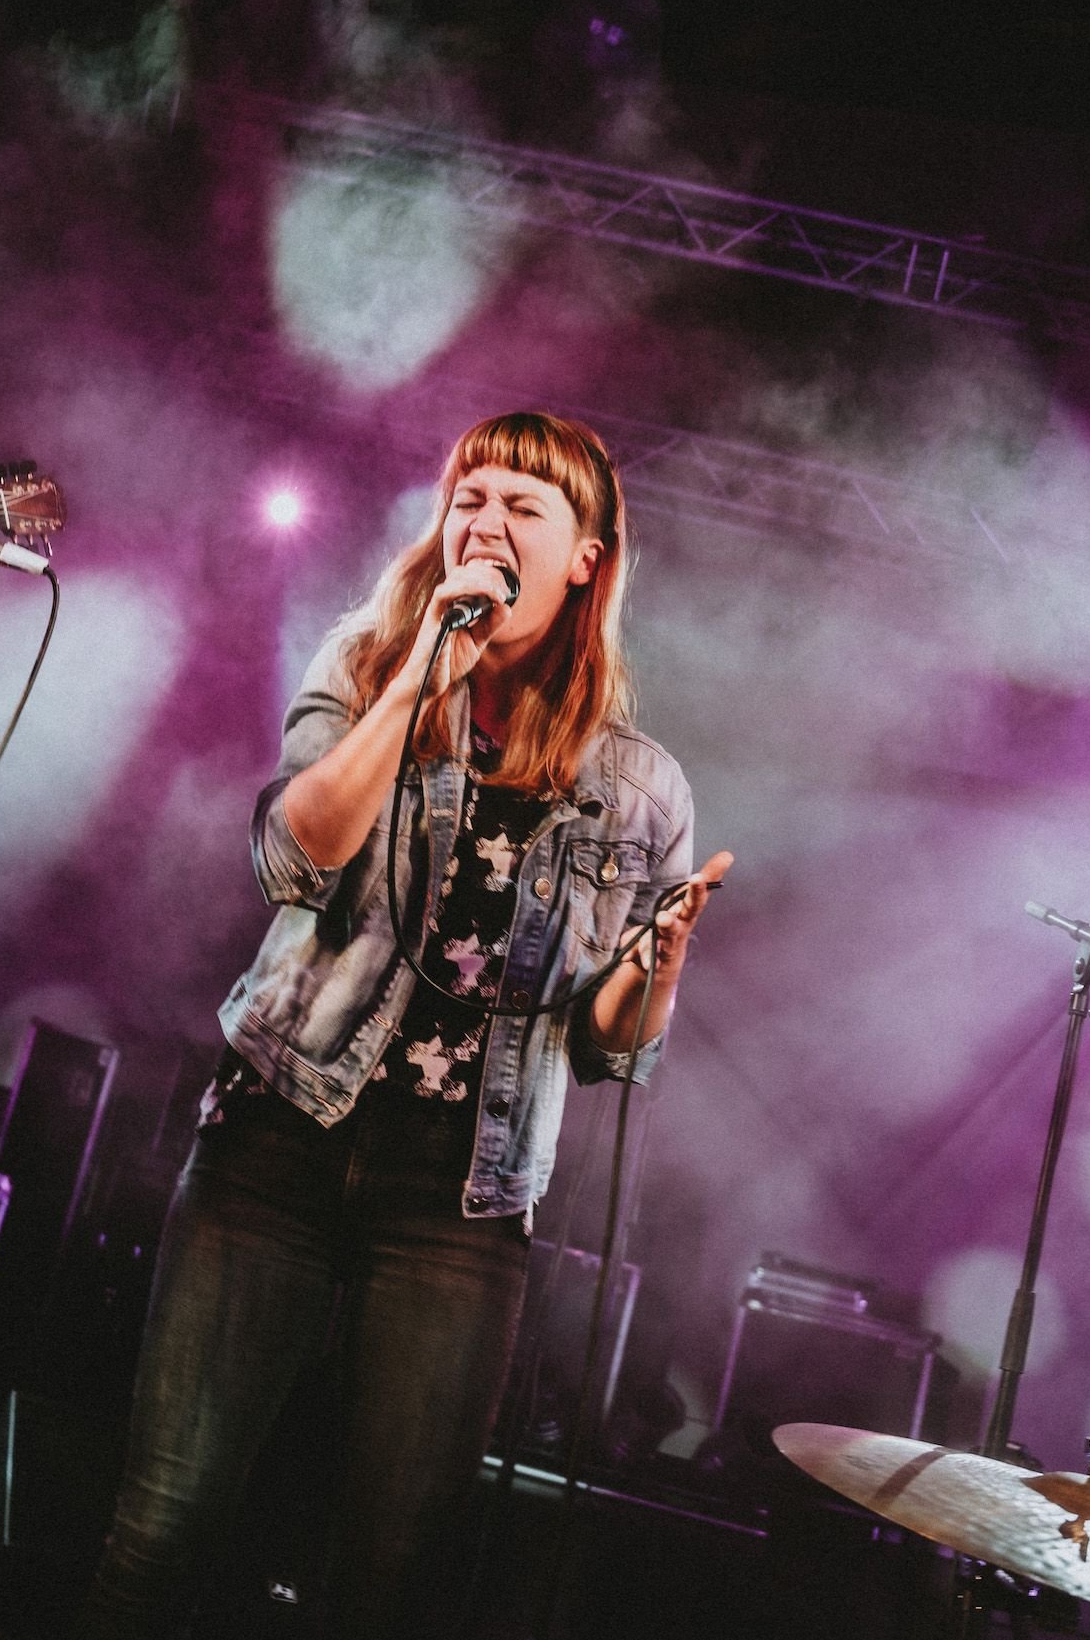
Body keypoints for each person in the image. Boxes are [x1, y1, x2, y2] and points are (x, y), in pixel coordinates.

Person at [76, 411, 732, 1638]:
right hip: (276, 1143)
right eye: (469, 499)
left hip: (457, 1208)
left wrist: (660, 963)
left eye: (523, 509)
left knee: (390, 1578)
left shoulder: (643, 787)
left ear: (587, 556)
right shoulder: (367, 665)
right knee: (163, 1528)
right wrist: (422, 672)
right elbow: (292, 856)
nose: (486, 524)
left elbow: (611, 1046)